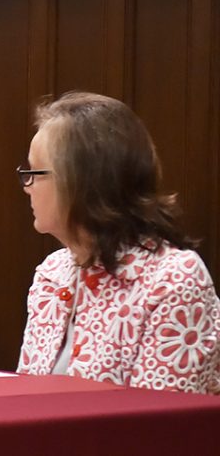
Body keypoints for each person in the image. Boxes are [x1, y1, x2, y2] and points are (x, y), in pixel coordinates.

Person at [15, 92, 219, 394]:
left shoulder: (174, 280)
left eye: (34, 173)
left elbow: (158, 426)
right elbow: (23, 402)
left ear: (83, 181)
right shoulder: (52, 273)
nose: (27, 188)